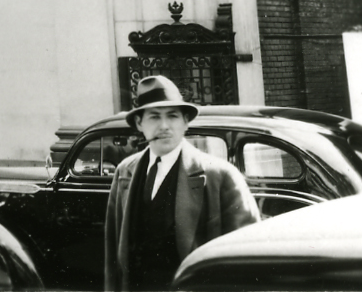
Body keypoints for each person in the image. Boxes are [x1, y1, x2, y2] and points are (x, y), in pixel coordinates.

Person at [104, 75, 260, 291]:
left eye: (173, 116)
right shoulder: (125, 171)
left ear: (186, 121)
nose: (164, 126)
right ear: (139, 123)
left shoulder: (220, 176)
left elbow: (249, 258)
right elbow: (113, 254)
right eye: (154, 117)